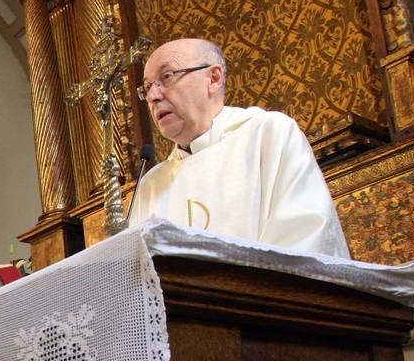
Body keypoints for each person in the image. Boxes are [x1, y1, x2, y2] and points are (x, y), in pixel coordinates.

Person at [129, 37, 350, 258]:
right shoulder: (151, 184)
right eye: (147, 88)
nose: (153, 96)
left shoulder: (269, 134)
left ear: (213, 78)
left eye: (167, 77)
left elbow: (305, 241)